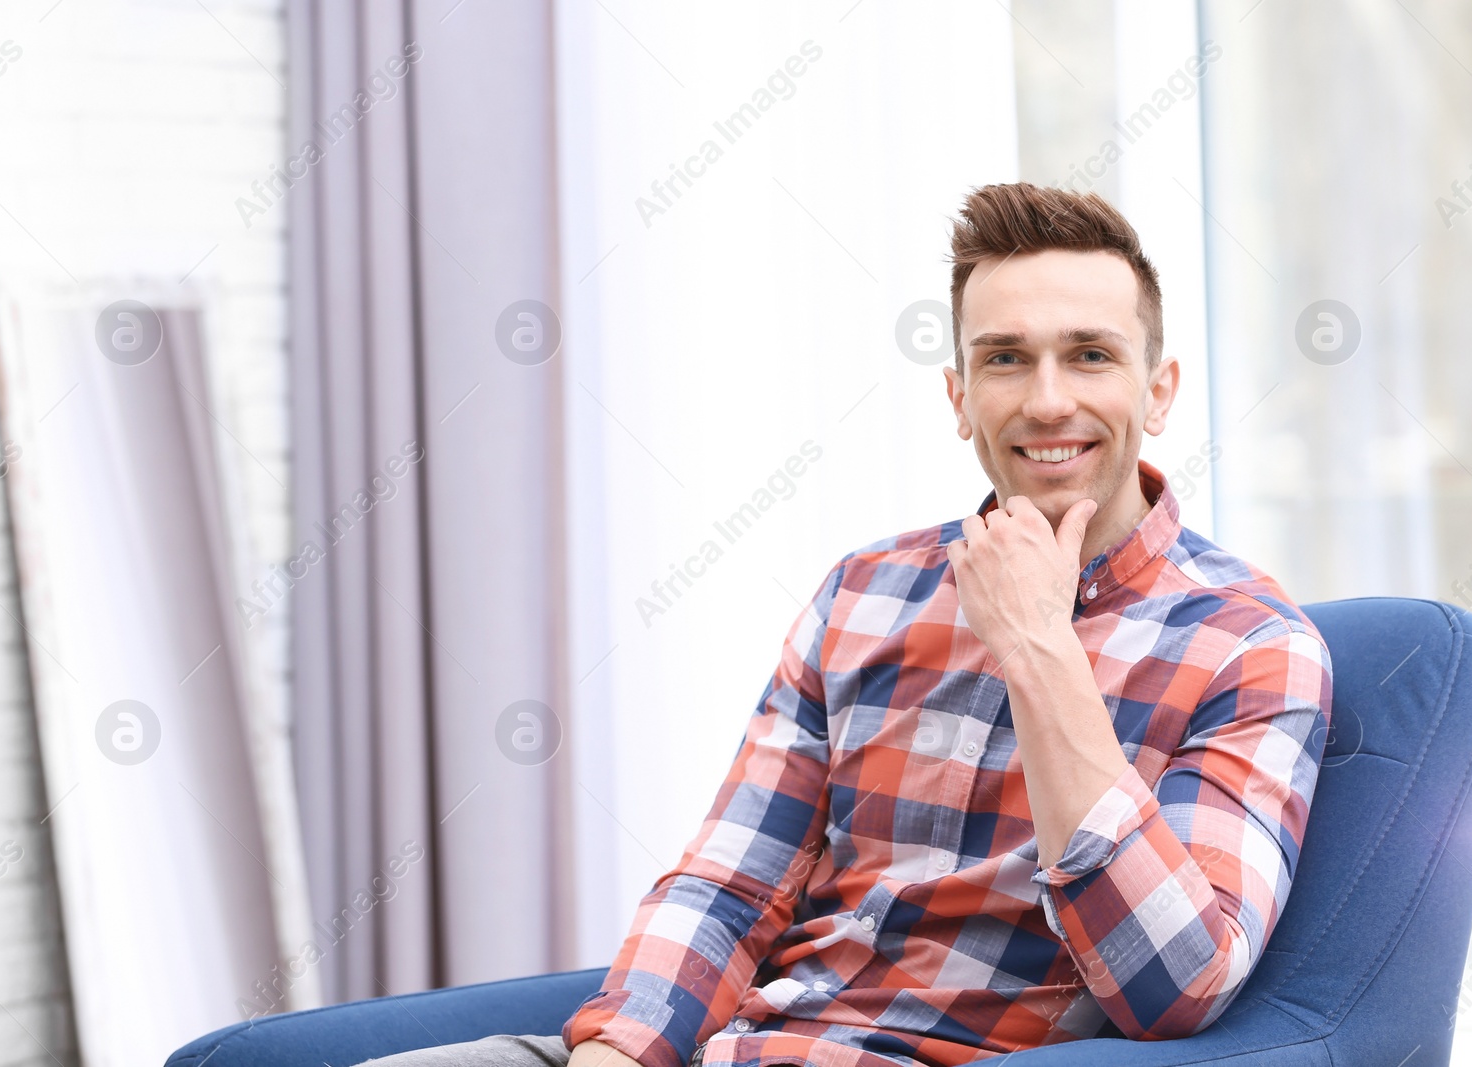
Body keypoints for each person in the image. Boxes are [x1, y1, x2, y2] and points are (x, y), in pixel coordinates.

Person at [362, 182, 1333, 1067]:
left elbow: (1179, 983)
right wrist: (614, 1052)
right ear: (960, 398)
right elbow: (729, 885)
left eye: (1090, 354)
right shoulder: (866, 593)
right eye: (1004, 358)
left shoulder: (1251, 644)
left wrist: (1039, 648)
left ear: (1156, 390)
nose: (1046, 399)